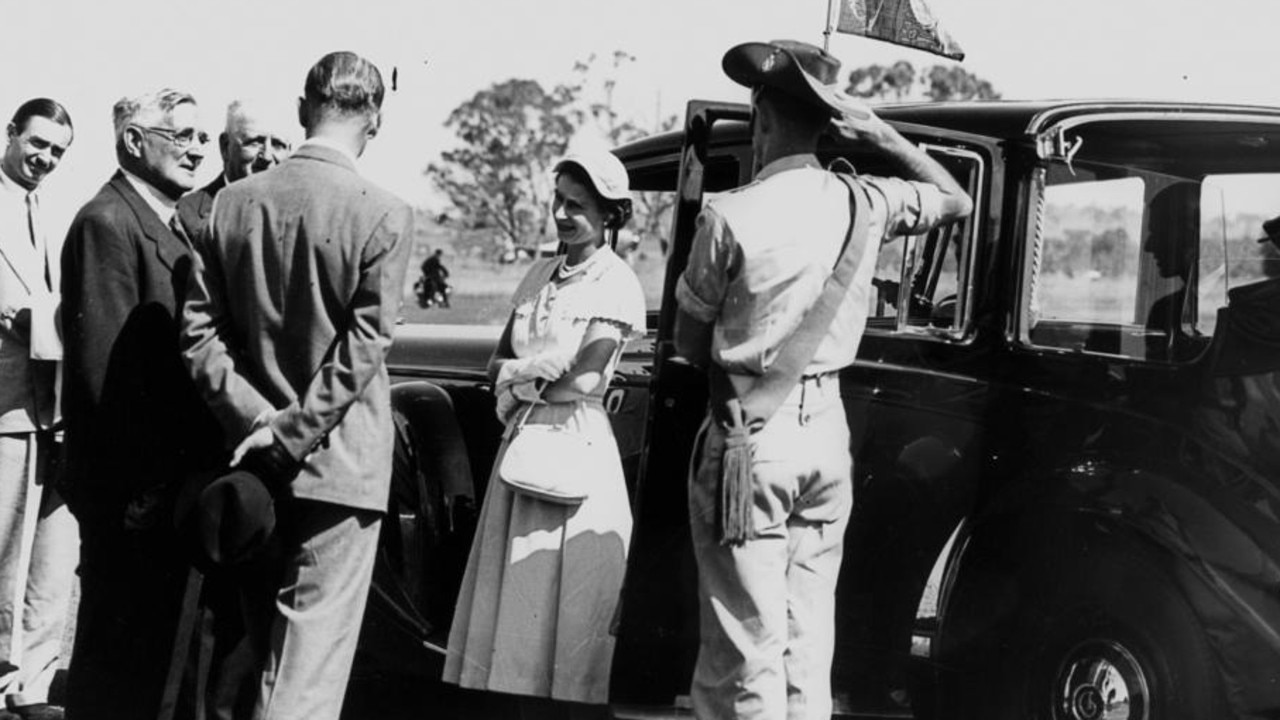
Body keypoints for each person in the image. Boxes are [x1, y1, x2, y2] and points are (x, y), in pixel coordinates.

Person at [672, 40, 973, 720]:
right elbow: (955, 200)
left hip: (750, 437)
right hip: (826, 436)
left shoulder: (730, 214)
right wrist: (882, 133)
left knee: (741, 644)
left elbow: (691, 345)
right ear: (831, 121)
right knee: (808, 641)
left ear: (761, 119)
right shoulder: (867, 200)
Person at [179, 51, 413, 720]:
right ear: (375, 121)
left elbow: (199, 336)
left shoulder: (230, 204)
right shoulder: (384, 212)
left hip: (252, 470)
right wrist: (292, 432)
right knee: (306, 674)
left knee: (262, 654)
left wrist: (260, 424)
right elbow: (364, 347)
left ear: (302, 109)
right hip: (340, 471)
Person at [443, 146, 645, 720]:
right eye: (558, 200)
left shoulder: (616, 282)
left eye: (576, 206)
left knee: (567, 609)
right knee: (514, 610)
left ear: (609, 215)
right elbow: (496, 362)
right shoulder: (537, 274)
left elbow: (584, 377)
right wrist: (526, 374)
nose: (561, 214)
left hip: (574, 447)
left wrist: (518, 382)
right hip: (524, 440)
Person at [60, 89, 225, 720]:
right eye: (181, 136)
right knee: (116, 661)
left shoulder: (168, 218)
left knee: (147, 658)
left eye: (201, 138)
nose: (196, 149)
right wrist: (144, 484)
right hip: (130, 490)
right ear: (135, 140)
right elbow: (107, 374)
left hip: (158, 487)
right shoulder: (108, 221)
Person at [0, 98, 75, 720]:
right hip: (1, 402)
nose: (45, 158)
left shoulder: (52, 208)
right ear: (11, 134)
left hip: (47, 404)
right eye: (38, 144)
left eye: (56, 151)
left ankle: (31, 683)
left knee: (44, 551)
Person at [176, 98, 294, 239]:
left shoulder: (301, 216)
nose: (267, 157)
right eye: (255, 142)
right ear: (225, 147)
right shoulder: (185, 218)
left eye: (278, 144)